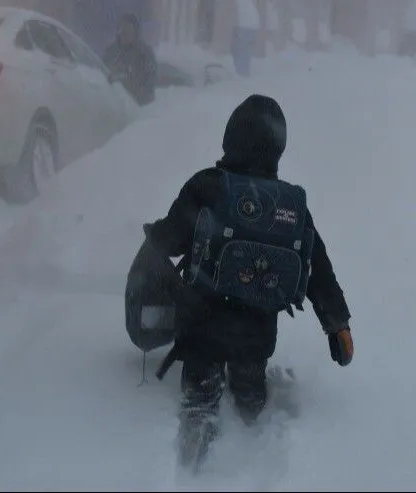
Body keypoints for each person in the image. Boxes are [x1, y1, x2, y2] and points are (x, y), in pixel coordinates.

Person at [126, 95, 353, 471]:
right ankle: (251, 428)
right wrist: (338, 324)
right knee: (250, 389)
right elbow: (318, 269)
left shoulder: (209, 186)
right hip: (258, 334)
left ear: (230, 137)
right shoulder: (291, 207)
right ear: (277, 148)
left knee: (200, 390)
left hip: (203, 326)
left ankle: (198, 435)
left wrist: (155, 237)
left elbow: (170, 241)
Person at [103, 13, 157, 106]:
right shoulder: (111, 52)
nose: (125, 35)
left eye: (129, 31)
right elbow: (103, 73)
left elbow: (150, 81)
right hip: (113, 101)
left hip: (138, 103)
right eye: (122, 31)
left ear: (135, 33)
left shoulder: (144, 53)